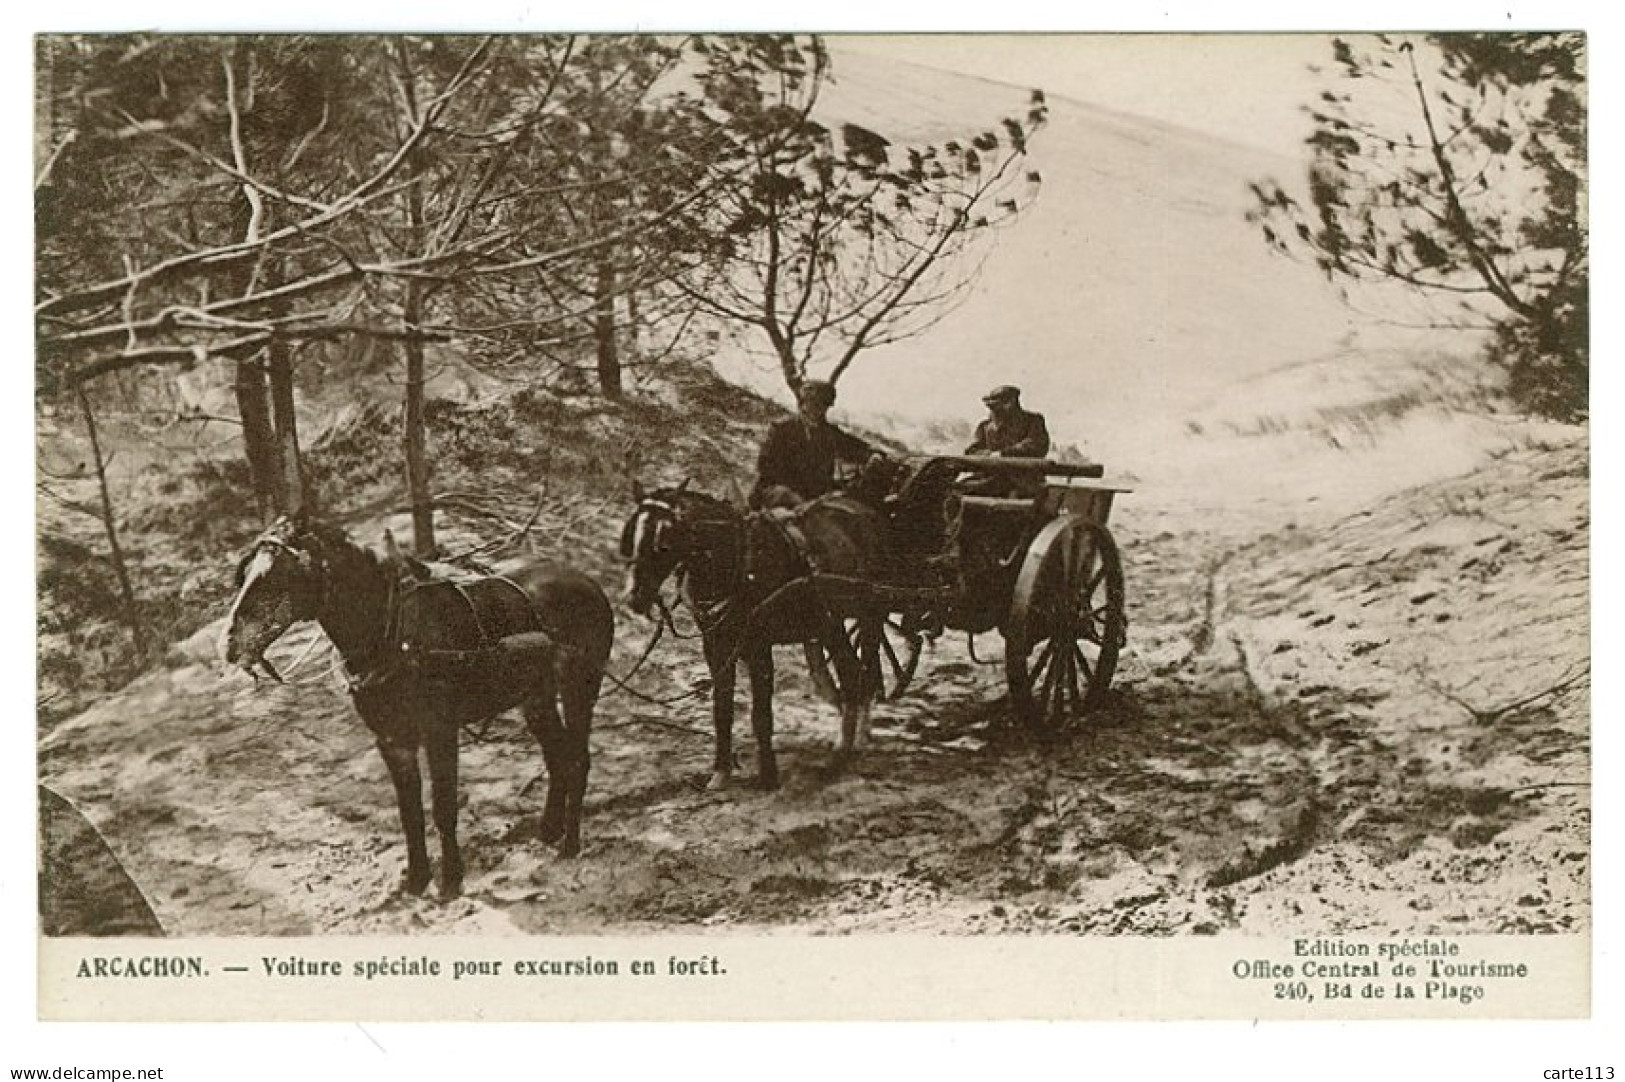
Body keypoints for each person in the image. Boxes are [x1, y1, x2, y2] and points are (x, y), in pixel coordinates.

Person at [750, 379, 878, 510]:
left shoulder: (829, 433)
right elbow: (765, 465)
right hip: (777, 490)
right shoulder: (782, 428)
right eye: (814, 404)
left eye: (823, 405)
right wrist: (797, 486)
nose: (818, 410)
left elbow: (854, 448)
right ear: (804, 403)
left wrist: (872, 454)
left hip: (812, 496)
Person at [965, 385, 1050, 459]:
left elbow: (1035, 445)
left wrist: (1003, 454)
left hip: (1023, 474)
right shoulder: (984, 427)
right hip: (988, 474)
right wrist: (989, 455)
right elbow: (971, 450)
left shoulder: (1032, 421)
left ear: (1011, 403)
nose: (993, 412)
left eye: (996, 406)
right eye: (991, 408)